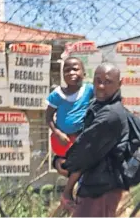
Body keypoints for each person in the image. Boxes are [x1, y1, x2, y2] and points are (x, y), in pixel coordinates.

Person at [61, 63, 130, 217]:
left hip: (101, 189)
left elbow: (84, 152)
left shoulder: (110, 115)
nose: (101, 86)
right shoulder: (98, 106)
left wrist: (67, 190)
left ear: (119, 84)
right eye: (97, 80)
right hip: (95, 185)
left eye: (108, 82)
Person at [45, 57, 94, 210]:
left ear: (84, 73)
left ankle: (74, 196)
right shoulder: (57, 94)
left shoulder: (89, 90)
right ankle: (68, 196)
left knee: (81, 166)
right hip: (62, 140)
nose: (71, 72)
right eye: (67, 70)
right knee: (69, 167)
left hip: (81, 137)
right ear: (63, 74)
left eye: (75, 69)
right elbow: (48, 117)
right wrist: (57, 132)